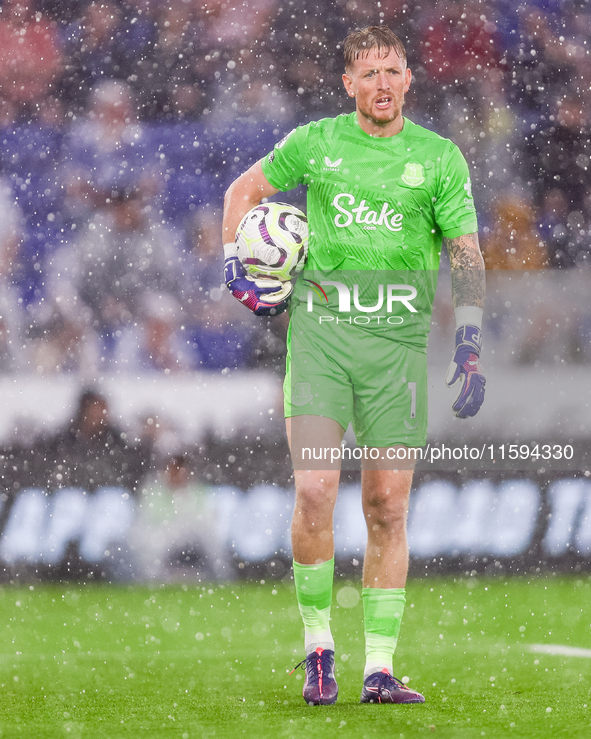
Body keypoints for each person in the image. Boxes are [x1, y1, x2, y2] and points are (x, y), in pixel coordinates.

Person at [221, 26, 486, 706]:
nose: (380, 84)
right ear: (348, 84)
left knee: (386, 505)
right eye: (367, 73)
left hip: (395, 352)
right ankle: (317, 649)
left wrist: (470, 339)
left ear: (407, 79)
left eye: (391, 71)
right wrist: (234, 264)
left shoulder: (438, 159)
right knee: (313, 490)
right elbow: (242, 191)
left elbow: (465, 256)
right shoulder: (316, 143)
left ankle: (379, 668)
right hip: (322, 341)